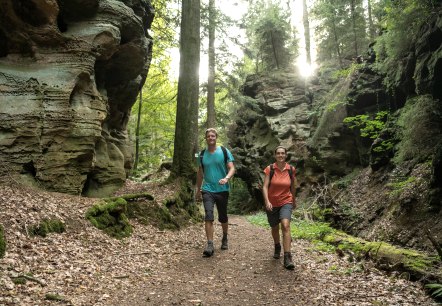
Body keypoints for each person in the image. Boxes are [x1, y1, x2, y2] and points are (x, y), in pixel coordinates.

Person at [196, 128, 235, 257]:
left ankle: (224, 237)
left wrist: (226, 178)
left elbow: (232, 168)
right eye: (208, 136)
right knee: (208, 215)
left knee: (223, 216)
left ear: (216, 137)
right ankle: (210, 244)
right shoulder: (201, 154)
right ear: (206, 138)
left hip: (222, 189)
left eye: (213, 136)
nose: (211, 138)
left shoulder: (224, 151)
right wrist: (198, 190)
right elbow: (200, 173)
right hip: (207, 189)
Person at [262, 146, 296, 270]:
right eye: (278, 153)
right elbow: (265, 187)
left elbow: (293, 186)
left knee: (285, 225)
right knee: (274, 227)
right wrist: (267, 201)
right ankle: (277, 246)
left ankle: (287, 257)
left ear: (286, 155)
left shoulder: (291, 169)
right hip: (272, 203)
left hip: (286, 201)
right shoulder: (270, 169)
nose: (280, 155)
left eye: (283, 153)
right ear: (275, 155)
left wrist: (294, 200)